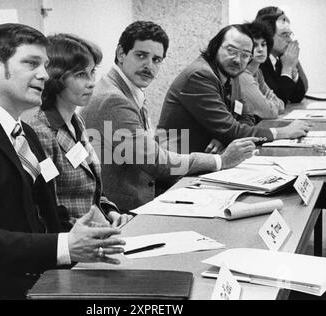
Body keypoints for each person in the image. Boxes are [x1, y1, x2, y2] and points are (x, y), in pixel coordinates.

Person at [0, 24, 125, 299]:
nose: (43, 74)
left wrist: (87, 235)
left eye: (45, 65)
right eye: (31, 63)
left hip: (39, 281)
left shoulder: (23, 132)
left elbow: (40, 214)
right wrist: (65, 245)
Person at [81, 21, 259, 212]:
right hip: (123, 210)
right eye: (141, 55)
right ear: (121, 54)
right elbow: (155, 162)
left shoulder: (127, 89)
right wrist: (221, 161)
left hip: (143, 192)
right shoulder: (113, 99)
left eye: (156, 60)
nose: (149, 66)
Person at [24, 34, 132, 227]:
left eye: (92, 72)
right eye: (81, 74)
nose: (91, 82)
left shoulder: (76, 120)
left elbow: (89, 191)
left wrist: (111, 213)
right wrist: (95, 230)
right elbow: (49, 210)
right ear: (56, 78)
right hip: (74, 242)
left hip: (98, 230)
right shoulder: (41, 132)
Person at [157, 24, 311, 154]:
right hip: (178, 165)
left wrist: (225, 137)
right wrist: (283, 132)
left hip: (209, 155)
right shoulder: (200, 76)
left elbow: (247, 117)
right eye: (231, 51)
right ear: (216, 46)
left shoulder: (232, 74)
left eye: (245, 55)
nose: (238, 60)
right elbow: (232, 130)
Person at [255, 6, 309, 104]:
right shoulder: (260, 62)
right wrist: (287, 69)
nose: (289, 40)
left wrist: (293, 70)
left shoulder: (280, 59)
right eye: (284, 35)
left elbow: (297, 96)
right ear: (268, 36)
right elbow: (279, 100)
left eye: (289, 35)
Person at [239, 21, 284, 121]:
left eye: (263, 45)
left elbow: (281, 105)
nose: (260, 49)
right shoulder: (242, 75)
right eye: (255, 45)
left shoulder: (258, 73)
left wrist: (269, 103)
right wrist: (268, 102)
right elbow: (268, 112)